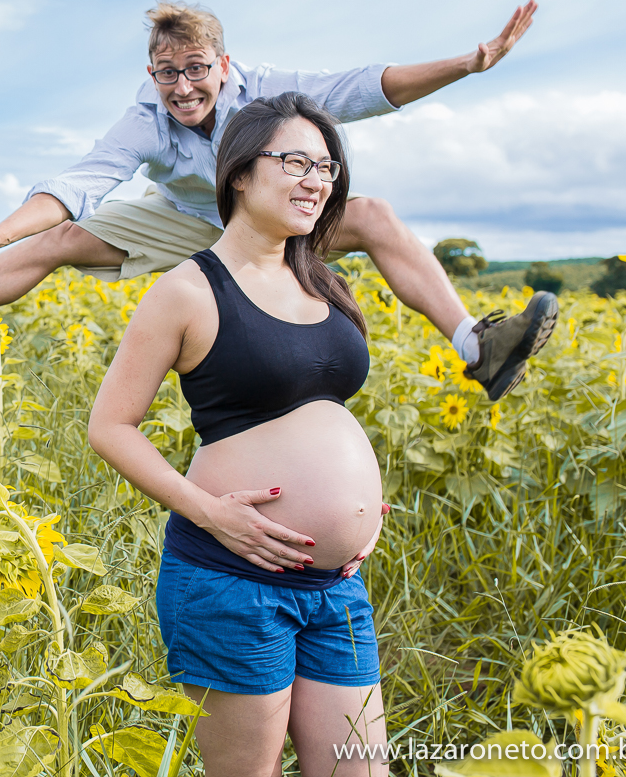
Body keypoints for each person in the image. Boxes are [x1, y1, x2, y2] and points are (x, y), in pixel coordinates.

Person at [0, 0, 557, 400]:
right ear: (153, 74)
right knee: (59, 240)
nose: (182, 86)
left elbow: (363, 88)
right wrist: (3, 235)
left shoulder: (265, 90)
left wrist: (466, 65)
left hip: (268, 215)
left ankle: (479, 346)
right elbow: (83, 182)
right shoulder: (147, 117)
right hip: (192, 221)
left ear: (223, 66)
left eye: (196, 68)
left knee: (375, 217)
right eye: (167, 72)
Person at [87, 92, 400, 776]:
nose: (317, 180)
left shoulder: (324, 281)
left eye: (327, 166)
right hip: (233, 579)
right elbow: (110, 427)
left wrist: (360, 512)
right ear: (237, 173)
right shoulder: (189, 290)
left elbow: (321, 411)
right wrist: (210, 513)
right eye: (296, 161)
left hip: (337, 586)